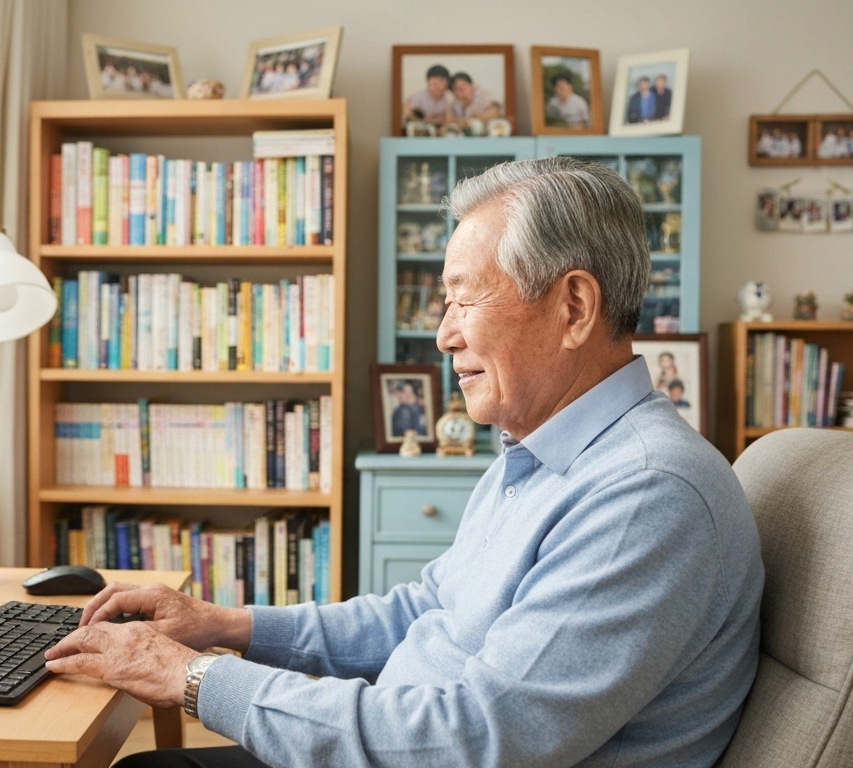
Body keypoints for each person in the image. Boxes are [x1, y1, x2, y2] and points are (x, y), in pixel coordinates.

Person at [43, 156, 764, 768]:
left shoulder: (644, 494)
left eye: (464, 300)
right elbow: (425, 611)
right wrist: (225, 625)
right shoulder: (541, 451)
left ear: (573, 307)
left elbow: (475, 740)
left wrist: (193, 678)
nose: (443, 335)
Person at [403, 64, 455, 129]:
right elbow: (406, 118)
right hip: (421, 130)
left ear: (447, 83)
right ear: (427, 82)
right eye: (434, 82)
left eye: (441, 82)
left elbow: (452, 119)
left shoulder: (450, 97)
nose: (437, 86)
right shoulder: (416, 97)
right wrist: (425, 120)